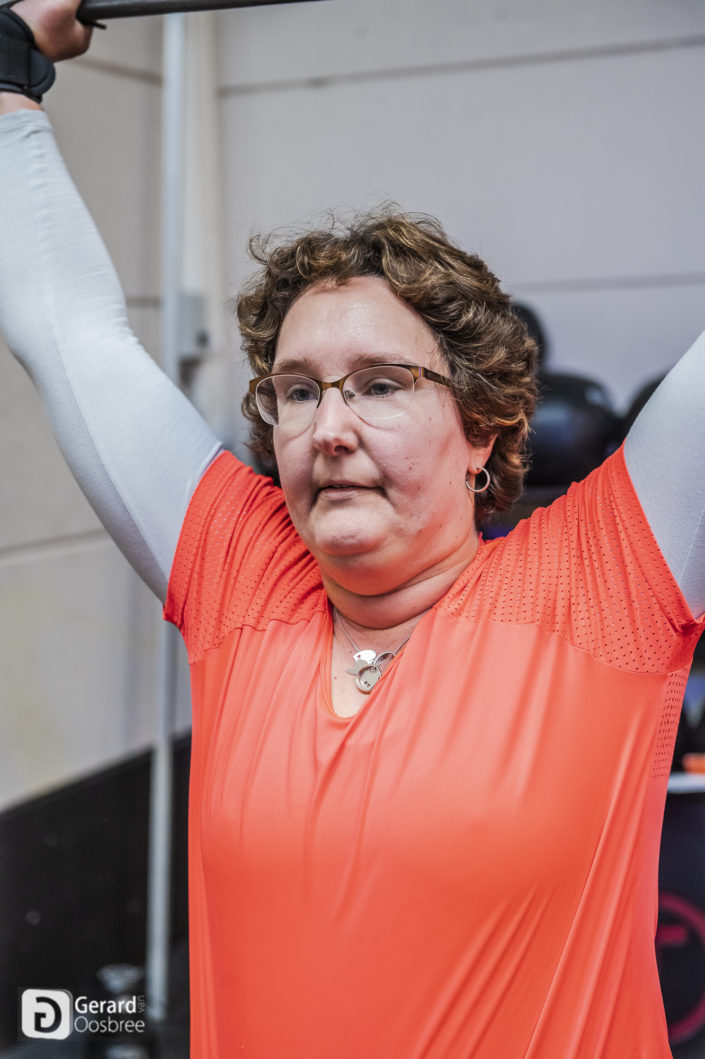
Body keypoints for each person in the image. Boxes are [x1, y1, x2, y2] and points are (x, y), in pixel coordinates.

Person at [1, 2, 704, 1055]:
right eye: (296, 391)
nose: (327, 429)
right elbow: (68, 333)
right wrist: (8, 70)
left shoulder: (605, 584)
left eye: (380, 384)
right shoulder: (244, 574)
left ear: (481, 427)